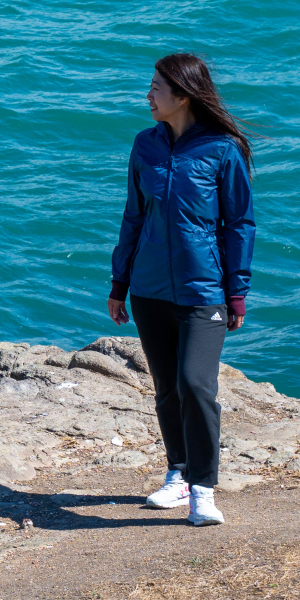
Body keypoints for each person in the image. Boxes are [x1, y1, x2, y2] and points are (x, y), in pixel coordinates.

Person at [107, 53, 256, 527]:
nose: (147, 95)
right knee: (168, 390)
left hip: (203, 290)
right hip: (148, 289)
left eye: (155, 87)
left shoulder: (222, 149)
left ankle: (205, 489)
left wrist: (236, 291)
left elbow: (240, 225)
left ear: (183, 95)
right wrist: (119, 283)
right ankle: (178, 473)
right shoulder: (144, 146)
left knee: (196, 385)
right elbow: (134, 216)